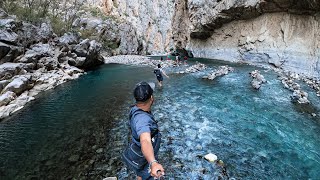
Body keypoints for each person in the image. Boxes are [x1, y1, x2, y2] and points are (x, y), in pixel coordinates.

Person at [122, 82, 165, 180]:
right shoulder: (142, 120)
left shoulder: (135, 109)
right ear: (151, 98)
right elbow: (145, 140)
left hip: (138, 152)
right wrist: (153, 163)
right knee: (147, 174)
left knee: (140, 173)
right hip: (144, 157)